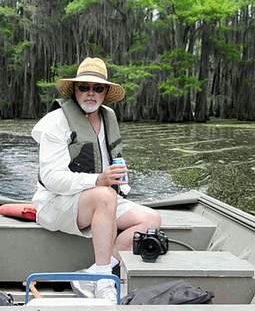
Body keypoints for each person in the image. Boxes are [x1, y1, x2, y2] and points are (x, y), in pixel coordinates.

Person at [31, 57, 162, 303]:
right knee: (104, 195)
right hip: (55, 202)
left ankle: (90, 274)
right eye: (84, 87)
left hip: (97, 196)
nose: (90, 93)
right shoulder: (55, 123)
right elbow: (51, 179)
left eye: (97, 88)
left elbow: (109, 166)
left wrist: (119, 179)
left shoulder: (108, 117)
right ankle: (104, 281)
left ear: (105, 93)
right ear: (75, 90)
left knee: (151, 219)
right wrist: (100, 181)